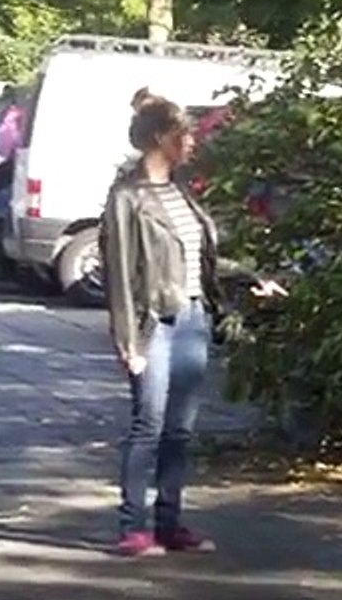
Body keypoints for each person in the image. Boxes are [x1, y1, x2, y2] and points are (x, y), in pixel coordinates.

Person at [101, 87, 285, 557]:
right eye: (184, 134)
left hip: (192, 318)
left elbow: (203, 259)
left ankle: (169, 523)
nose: (192, 142)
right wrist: (128, 341)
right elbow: (120, 273)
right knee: (149, 425)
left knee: (180, 431)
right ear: (162, 137)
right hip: (153, 323)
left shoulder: (181, 192)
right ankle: (133, 528)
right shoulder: (127, 197)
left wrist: (251, 277)